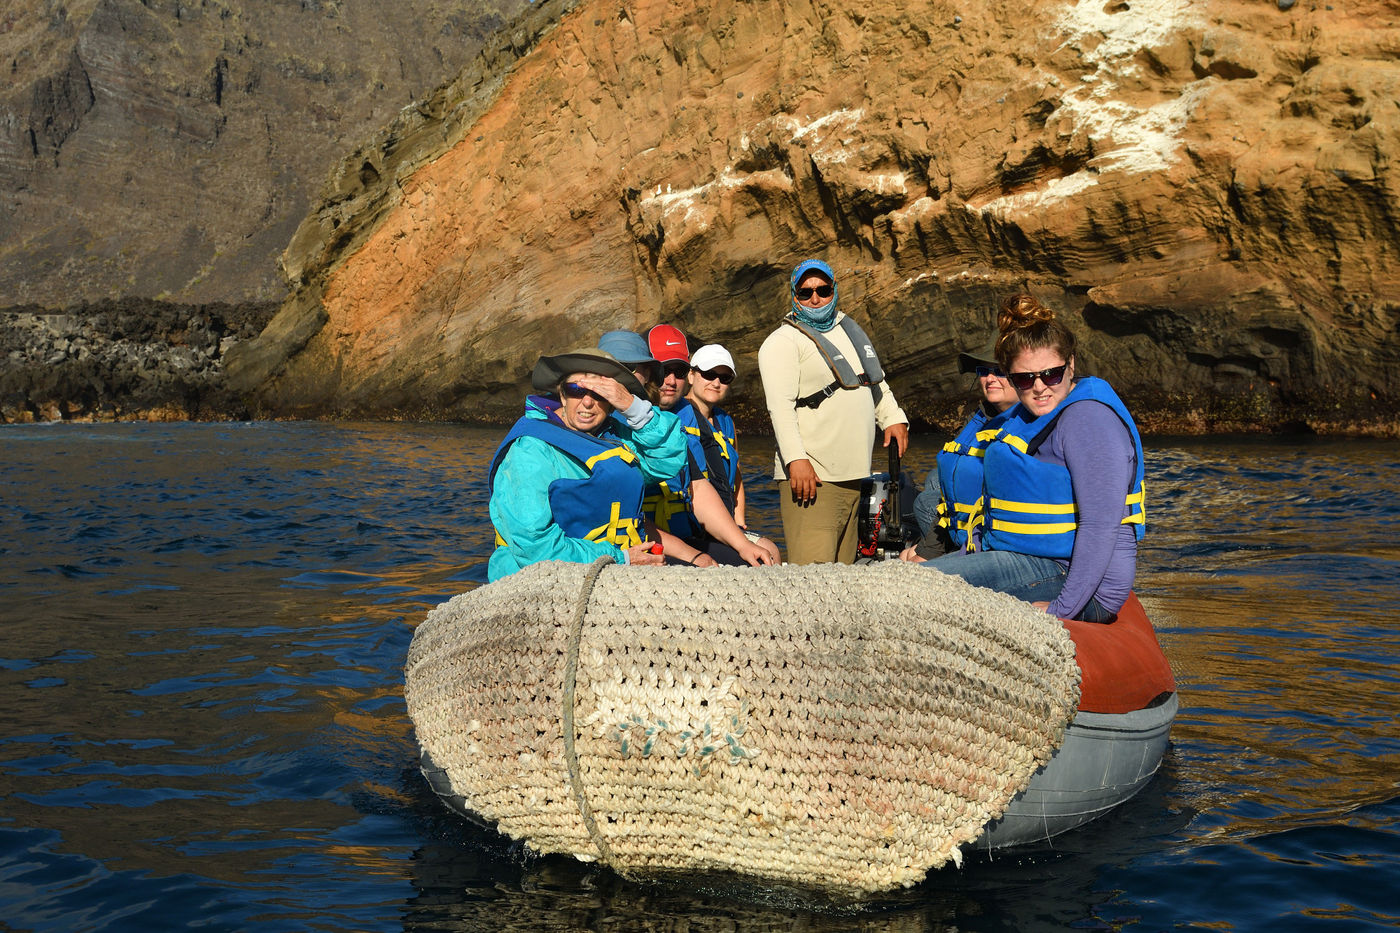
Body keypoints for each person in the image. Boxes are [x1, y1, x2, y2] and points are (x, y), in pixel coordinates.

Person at [921, 294, 1146, 621]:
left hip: (1073, 579)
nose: (1039, 387)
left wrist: (1062, 611)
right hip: (1027, 559)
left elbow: (1100, 525)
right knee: (909, 579)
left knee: (916, 588)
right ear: (1012, 377)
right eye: (1025, 378)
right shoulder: (1025, 418)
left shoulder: (1087, 419)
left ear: (1070, 365)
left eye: (1051, 374)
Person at [486, 347, 689, 582]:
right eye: (576, 389)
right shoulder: (530, 450)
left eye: (600, 393)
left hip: (621, 570)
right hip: (544, 581)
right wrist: (620, 559)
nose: (588, 402)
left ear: (612, 403)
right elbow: (535, 547)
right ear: (562, 395)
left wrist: (634, 408)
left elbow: (667, 462)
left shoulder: (615, 437)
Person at [757, 258, 909, 564]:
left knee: (843, 581)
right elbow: (780, 409)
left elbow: (873, 381)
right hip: (814, 479)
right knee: (813, 584)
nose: (815, 298)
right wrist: (796, 460)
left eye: (823, 290)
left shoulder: (849, 331)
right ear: (794, 296)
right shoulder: (782, 342)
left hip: (854, 477)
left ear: (834, 290)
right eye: (805, 292)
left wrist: (893, 417)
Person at [905, 339, 1018, 558]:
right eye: (984, 371)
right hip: (964, 523)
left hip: (991, 544)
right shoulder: (982, 415)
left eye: (1001, 371)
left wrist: (926, 554)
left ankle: (942, 552)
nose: (990, 378)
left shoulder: (1025, 427)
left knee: (924, 502)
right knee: (933, 478)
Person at [675, 343, 782, 565]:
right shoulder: (675, 416)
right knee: (756, 560)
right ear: (692, 376)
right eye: (709, 374)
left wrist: (738, 518)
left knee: (771, 550)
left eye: (724, 379)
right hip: (692, 525)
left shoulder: (726, 422)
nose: (716, 383)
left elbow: (737, 476)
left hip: (725, 522)